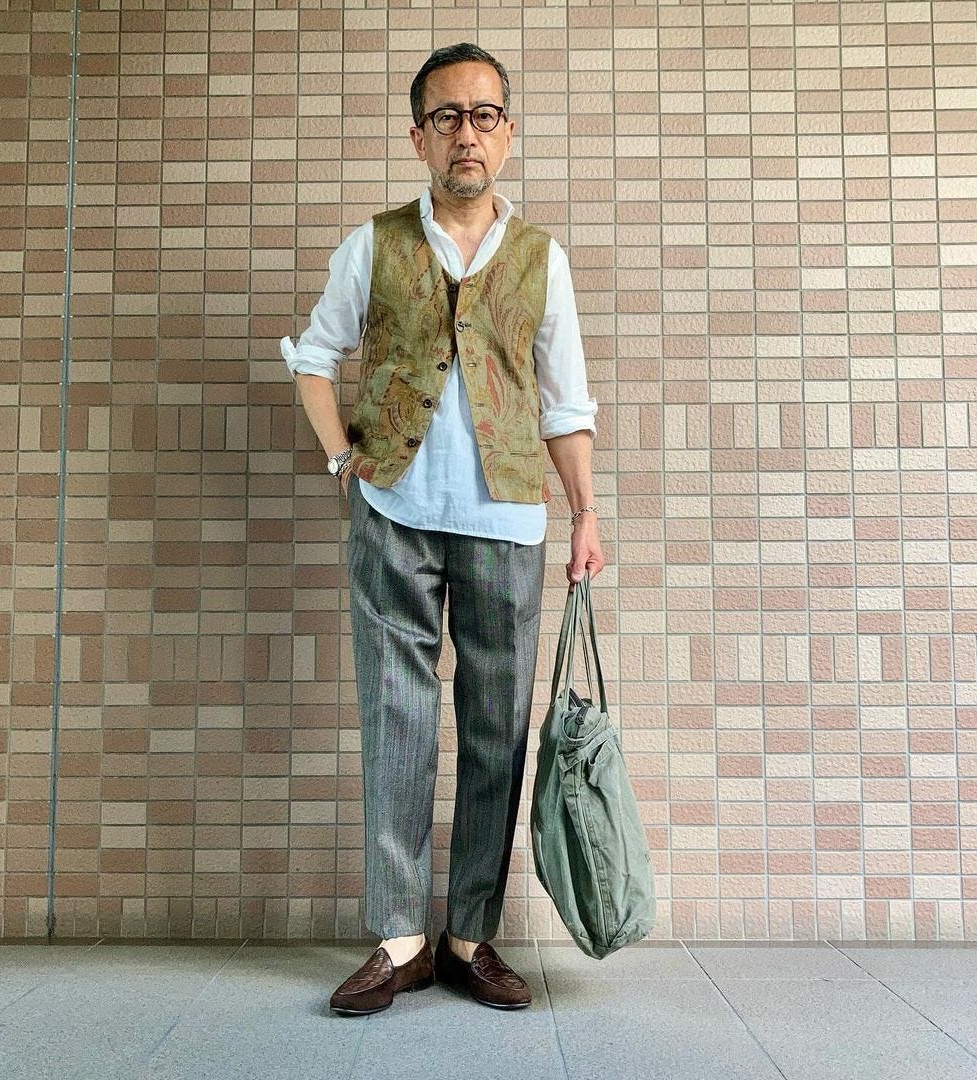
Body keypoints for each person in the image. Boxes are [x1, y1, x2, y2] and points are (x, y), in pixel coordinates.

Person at [281, 42, 605, 1016]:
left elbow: (565, 402)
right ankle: (400, 937)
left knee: (498, 731)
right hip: (396, 513)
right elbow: (313, 355)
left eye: (485, 114)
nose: (468, 132)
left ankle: (469, 937)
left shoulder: (542, 260)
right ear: (419, 133)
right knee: (397, 723)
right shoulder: (372, 244)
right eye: (448, 115)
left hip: (509, 521)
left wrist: (587, 511)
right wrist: (346, 463)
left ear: (507, 134)